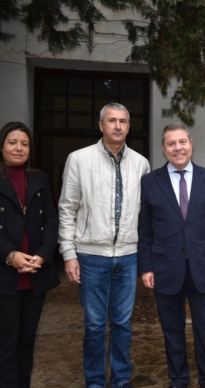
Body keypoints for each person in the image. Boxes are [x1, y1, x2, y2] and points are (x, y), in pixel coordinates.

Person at [58, 103, 150, 388]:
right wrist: (68, 252)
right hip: (90, 255)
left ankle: (121, 379)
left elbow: (146, 216)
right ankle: (95, 381)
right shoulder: (78, 159)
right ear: (101, 125)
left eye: (123, 121)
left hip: (128, 255)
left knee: (123, 323)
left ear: (129, 126)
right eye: (112, 121)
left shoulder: (141, 163)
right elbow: (67, 208)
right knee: (95, 325)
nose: (118, 126)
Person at [138, 122, 205, 388]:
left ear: (191, 143)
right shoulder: (149, 182)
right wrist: (146, 267)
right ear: (164, 149)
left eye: (182, 142)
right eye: (171, 143)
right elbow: (144, 228)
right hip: (165, 267)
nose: (178, 148)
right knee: (172, 330)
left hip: (204, 266)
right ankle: (178, 379)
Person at [0, 122, 60, 388]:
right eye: (12, 142)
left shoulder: (39, 178)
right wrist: (9, 254)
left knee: (27, 343)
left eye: (24, 143)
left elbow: (51, 218)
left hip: (35, 274)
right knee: (5, 345)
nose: (18, 148)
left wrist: (44, 254)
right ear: (2, 145)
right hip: (4, 274)